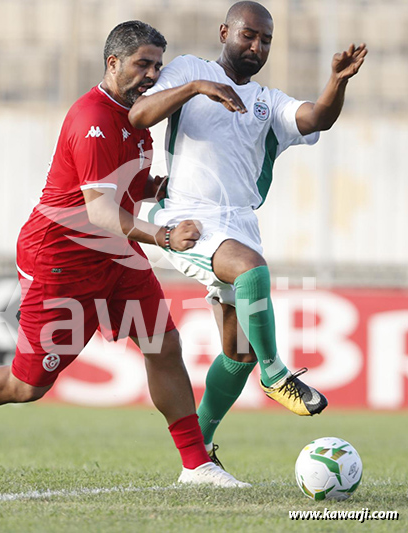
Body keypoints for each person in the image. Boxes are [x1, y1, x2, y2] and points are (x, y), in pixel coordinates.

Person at [0, 21, 249, 487]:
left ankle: (196, 465)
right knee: (27, 386)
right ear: (113, 63)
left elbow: (122, 183)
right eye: (143, 63)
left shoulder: (135, 117)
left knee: (163, 345)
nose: (151, 74)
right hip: (59, 259)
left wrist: (161, 186)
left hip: (113, 256)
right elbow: (101, 211)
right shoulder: (92, 119)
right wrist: (163, 236)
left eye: (157, 66)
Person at [129, 2, 367, 465]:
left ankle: (199, 451)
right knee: (252, 271)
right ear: (225, 32)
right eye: (248, 36)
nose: (257, 46)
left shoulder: (268, 101)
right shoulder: (188, 71)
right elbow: (140, 114)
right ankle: (277, 373)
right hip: (187, 218)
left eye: (266, 41)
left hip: (240, 222)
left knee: (238, 353)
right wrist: (198, 87)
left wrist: (336, 81)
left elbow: (316, 119)